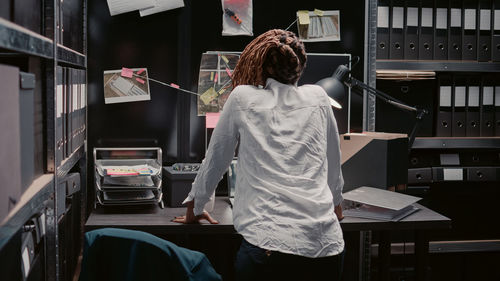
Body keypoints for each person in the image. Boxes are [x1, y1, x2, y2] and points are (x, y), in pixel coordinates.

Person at [173, 29, 345, 281]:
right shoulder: (319, 97)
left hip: (268, 246)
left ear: (258, 63)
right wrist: (336, 206)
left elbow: (216, 158)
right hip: (325, 246)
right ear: (299, 65)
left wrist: (196, 207)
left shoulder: (242, 97)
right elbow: (333, 161)